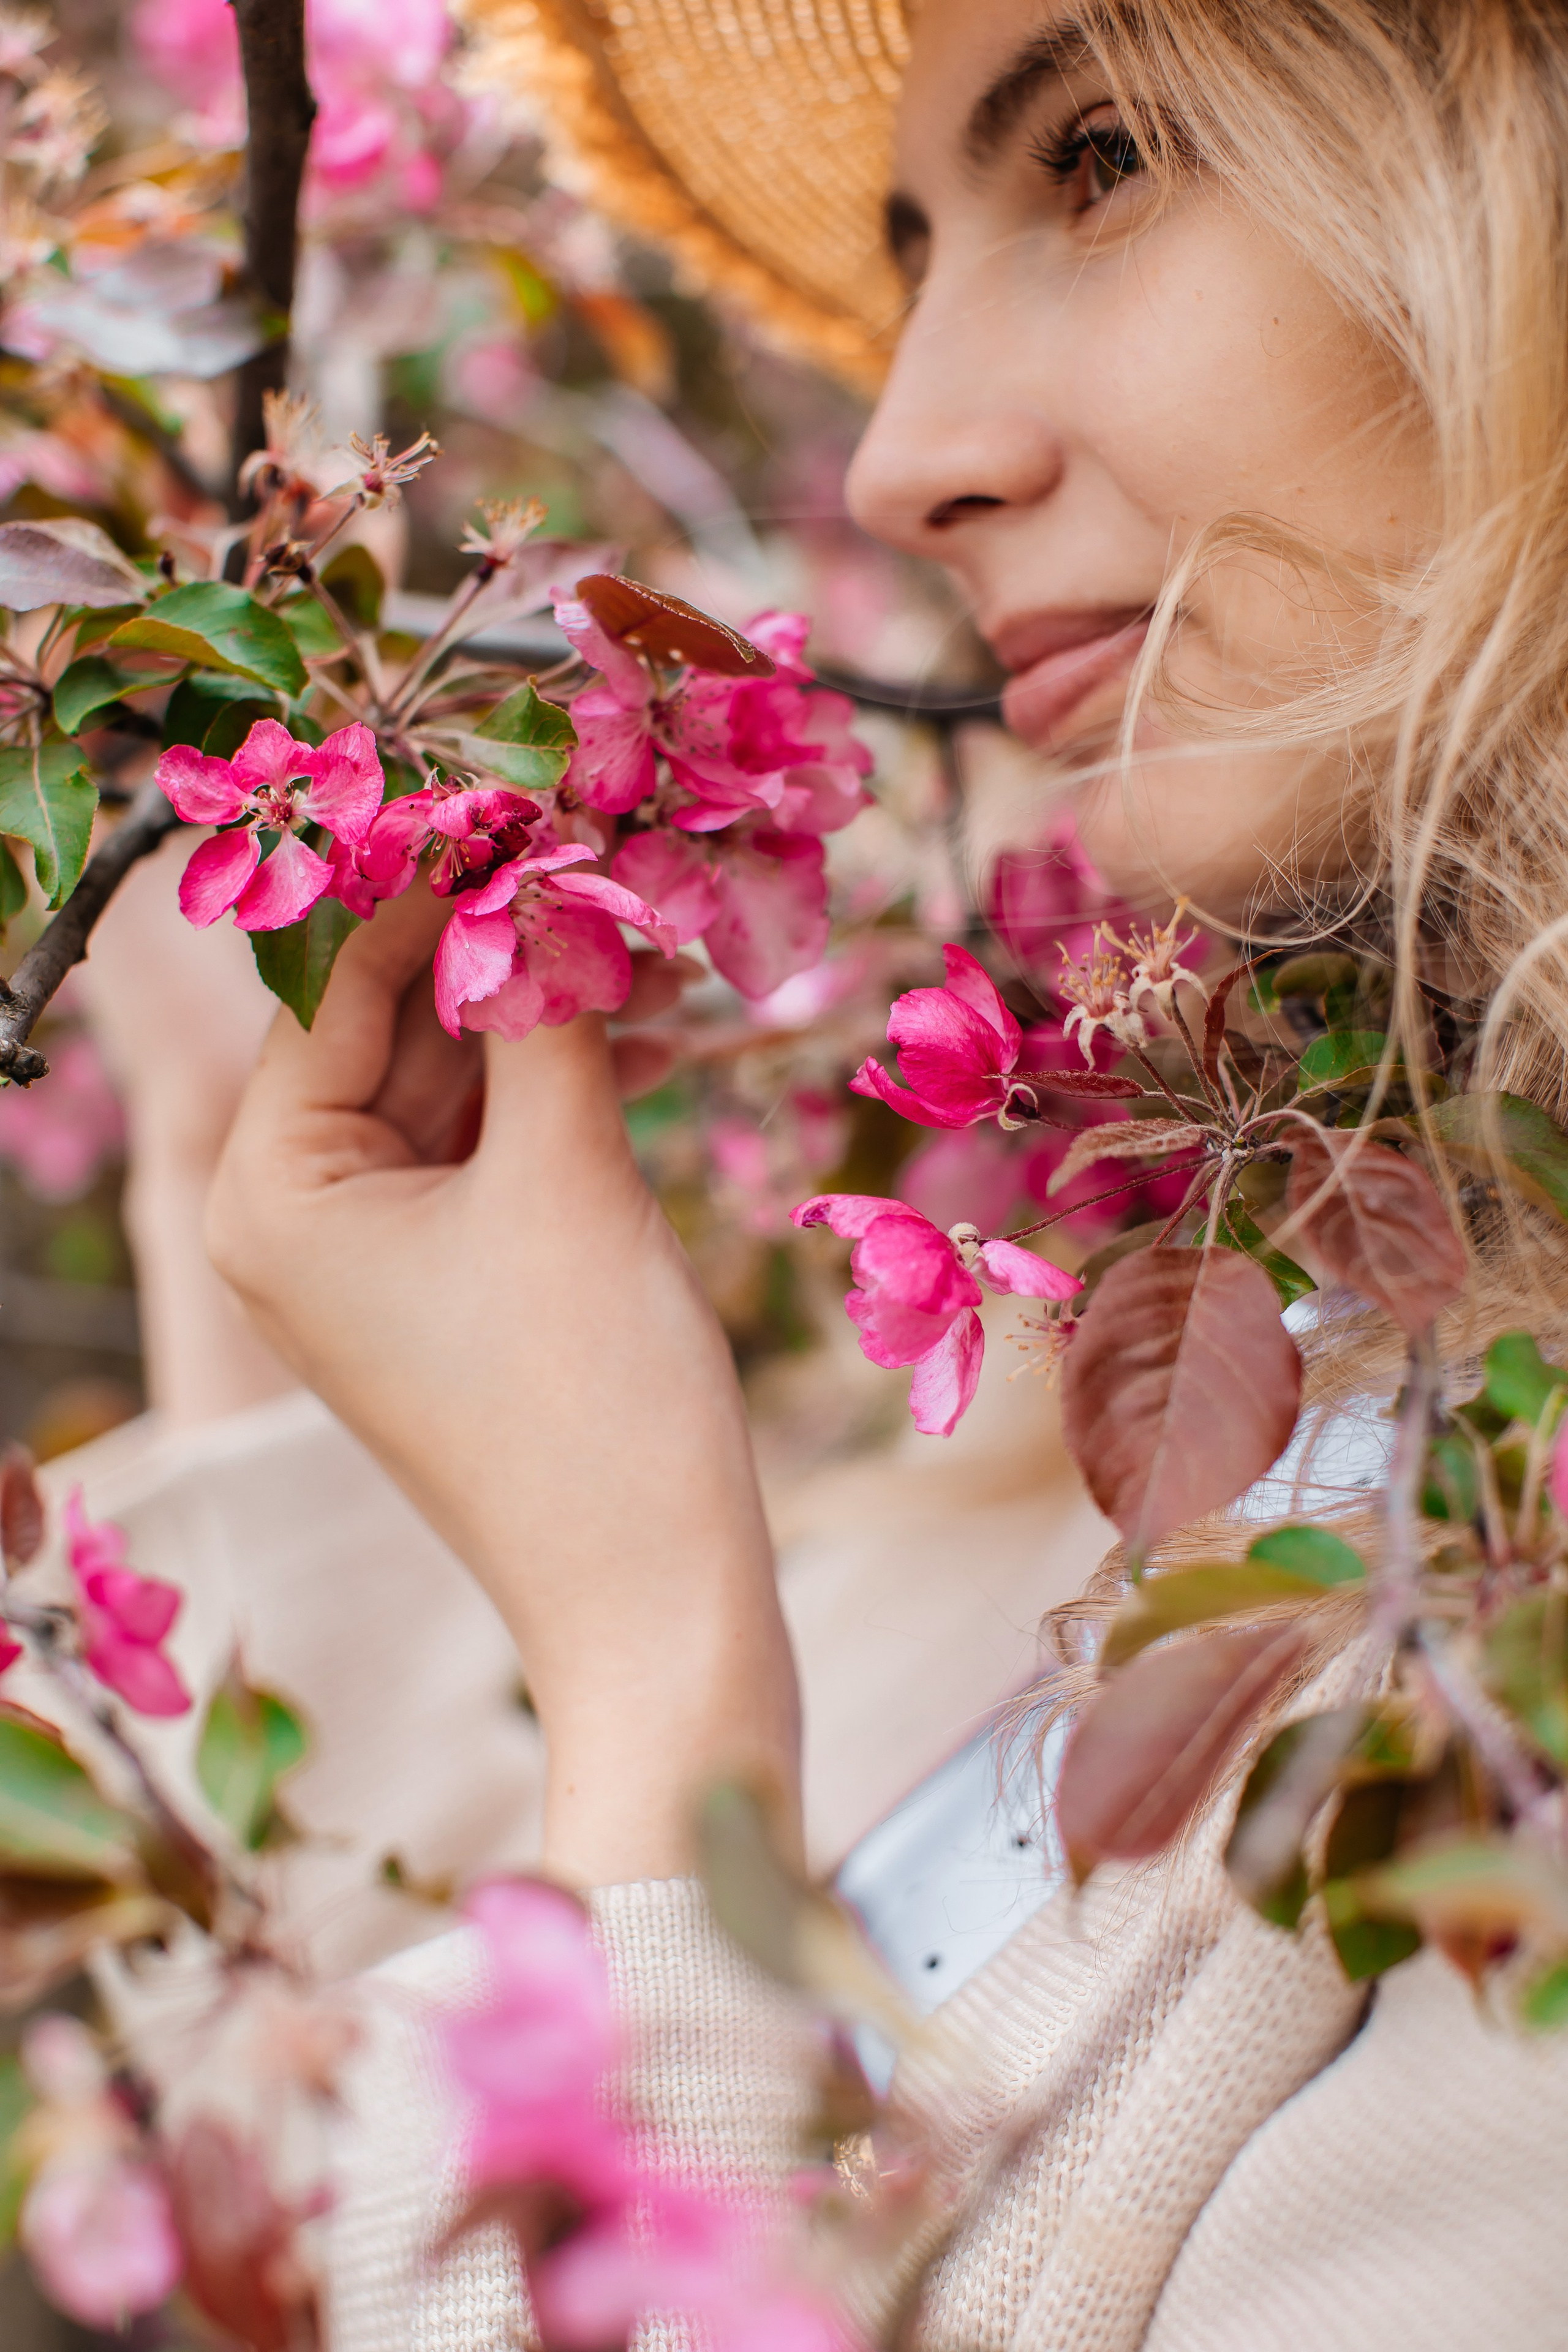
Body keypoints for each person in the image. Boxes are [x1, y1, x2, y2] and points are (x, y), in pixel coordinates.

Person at [204, 0, 1568, 2343]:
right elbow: (253, 2034)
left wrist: (655, 1703)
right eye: (917, 246)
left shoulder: (1470, 1655)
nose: (906, 454)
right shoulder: (1280, 1384)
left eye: (1110, 154)